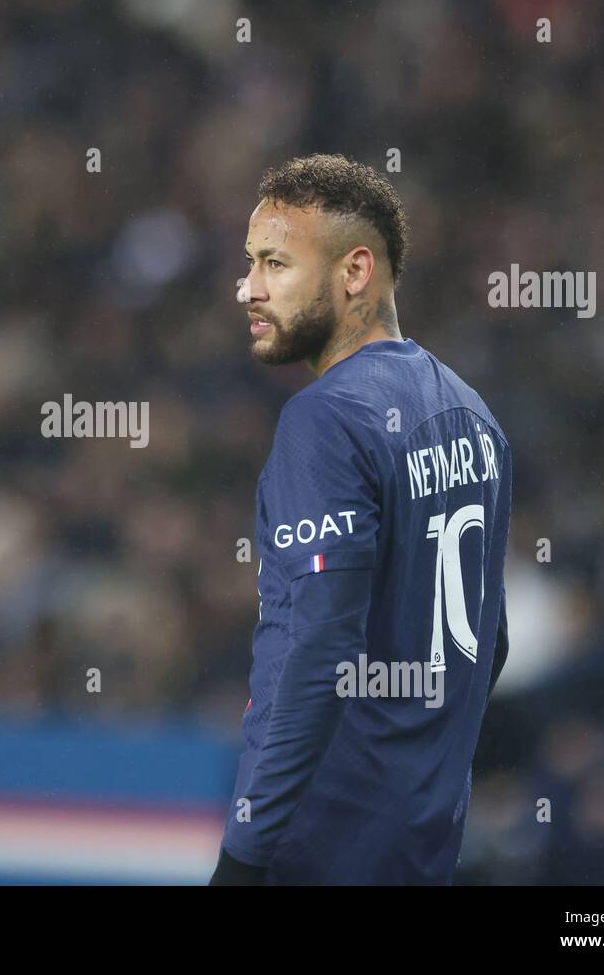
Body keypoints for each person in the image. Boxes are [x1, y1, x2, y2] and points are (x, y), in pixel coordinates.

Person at [210, 154, 512, 885]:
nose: (247, 288)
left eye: (276, 264)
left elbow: (320, 646)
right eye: (251, 262)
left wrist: (246, 855)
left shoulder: (326, 420)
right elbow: (491, 641)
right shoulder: (473, 415)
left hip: (318, 840)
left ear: (354, 273)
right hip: (418, 843)